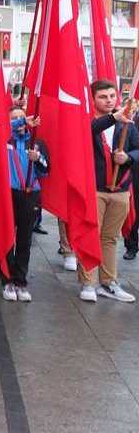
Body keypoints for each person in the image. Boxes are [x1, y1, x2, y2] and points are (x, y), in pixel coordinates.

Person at [78, 80, 139, 303]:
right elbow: (88, 131)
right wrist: (113, 117)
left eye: (112, 96)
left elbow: (137, 148)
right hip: (94, 189)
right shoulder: (88, 121)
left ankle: (108, 282)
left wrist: (128, 157)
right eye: (103, 97)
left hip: (120, 189)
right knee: (90, 234)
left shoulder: (128, 124)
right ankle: (88, 283)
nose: (109, 100)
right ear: (93, 99)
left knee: (111, 238)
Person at [2, 106, 48, 302]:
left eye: (22, 116)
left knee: (25, 239)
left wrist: (38, 159)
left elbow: (46, 170)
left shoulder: (36, 142)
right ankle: (7, 280)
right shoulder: (5, 140)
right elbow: (1, 128)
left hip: (30, 194)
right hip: (8, 193)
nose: (20, 121)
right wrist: (22, 121)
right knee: (6, 238)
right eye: (15, 118)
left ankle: (20, 281)